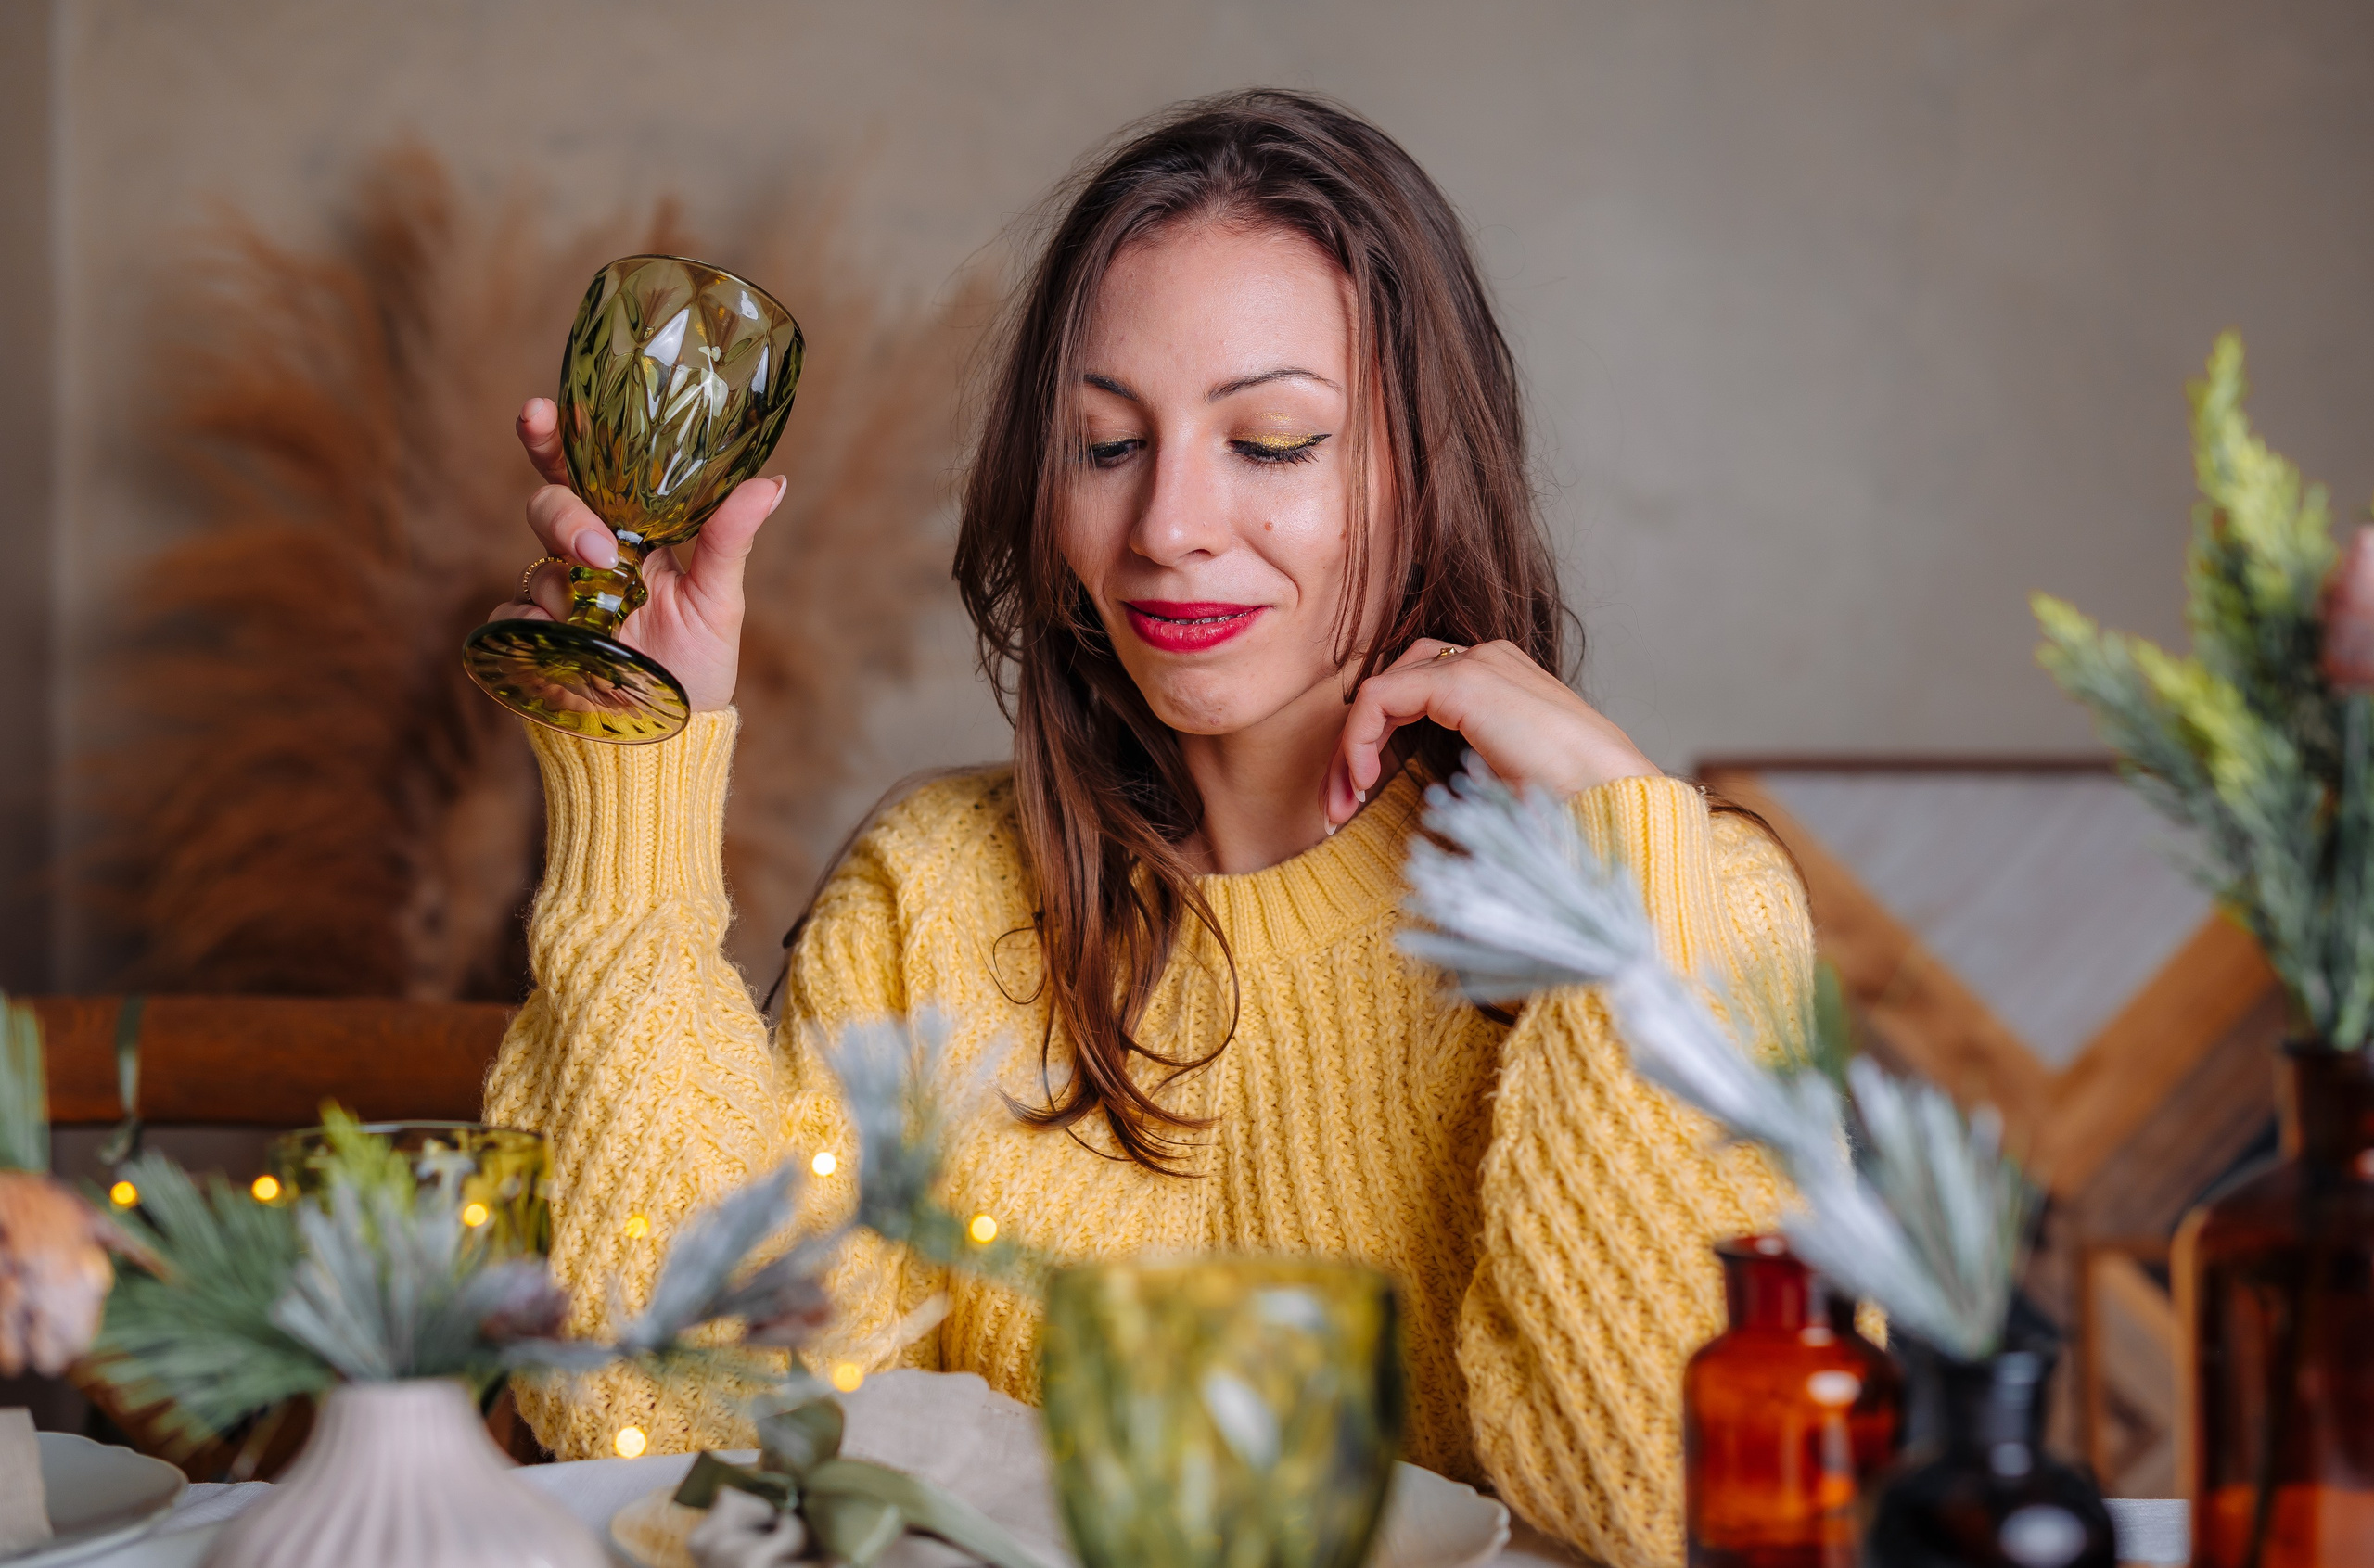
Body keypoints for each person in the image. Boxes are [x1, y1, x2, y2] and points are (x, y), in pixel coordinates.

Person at [482, 89, 1810, 1568]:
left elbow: (1682, 1514)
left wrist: (1622, 882)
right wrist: (633, 784)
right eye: (1107, 446)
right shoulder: (932, 896)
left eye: (1275, 440)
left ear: (1429, 473)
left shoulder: (1693, 903)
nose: (1169, 520)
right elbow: (672, 1422)